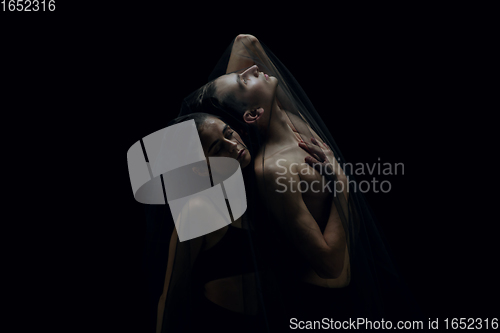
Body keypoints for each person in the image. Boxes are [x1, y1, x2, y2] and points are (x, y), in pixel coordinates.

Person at [180, 34, 425, 328]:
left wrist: (227, 88)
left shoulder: (294, 124)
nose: (249, 70)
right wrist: (341, 184)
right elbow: (329, 265)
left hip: (355, 283)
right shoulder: (271, 169)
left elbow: (246, 42)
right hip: (319, 305)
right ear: (253, 113)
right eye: (243, 80)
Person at [154, 112, 273, 333]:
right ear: (200, 168)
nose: (233, 145)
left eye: (229, 133)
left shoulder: (256, 189)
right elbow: (170, 297)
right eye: (218, 148)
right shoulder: (198, 210)